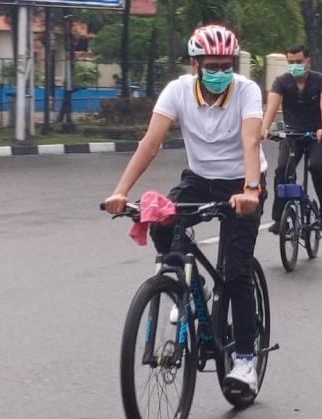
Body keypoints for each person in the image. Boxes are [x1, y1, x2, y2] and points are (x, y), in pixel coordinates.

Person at [103, 25, 267, 395]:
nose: (221, 72)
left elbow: (250, 139)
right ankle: (189, 286)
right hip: (199, 178)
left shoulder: (247, 91)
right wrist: (121, 191)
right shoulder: (178, 91)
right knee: (160, 221)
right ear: (195, 64)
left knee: (237, 271)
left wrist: (252, 190)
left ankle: (244, 360)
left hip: (243, 182)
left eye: (227, 65)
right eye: (212, 64)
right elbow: (151, 142)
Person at [262, 45, 322, 234]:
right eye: (291, 62)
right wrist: (264, 128)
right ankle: (280, 219)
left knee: (317, 167)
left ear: (308, 61)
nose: (294, 66)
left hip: (318, 135)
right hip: (293, 135)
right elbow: (271, 108)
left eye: (298, 62)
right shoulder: (282, 82)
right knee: (282, 169)